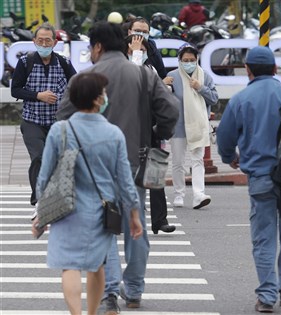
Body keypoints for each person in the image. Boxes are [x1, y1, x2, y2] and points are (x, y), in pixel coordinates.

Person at [56, 21, 179, 315]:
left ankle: (110, 293)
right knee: (136, 225)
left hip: (94, 166)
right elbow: (171, 111)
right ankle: (134, 290)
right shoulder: (144, 75)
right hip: (136, 160)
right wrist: (155, 131)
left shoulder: (85, 78)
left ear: (97, 46)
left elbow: (62, 120)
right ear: (124, 46)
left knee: (104, 229)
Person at [32, 72, 143, 315]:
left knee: (69, 266)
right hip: (100, 212)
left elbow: (45, 176)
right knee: (97, 265)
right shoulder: (113, 134)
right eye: (103, 94)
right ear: (95, 100)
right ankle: (92, 312)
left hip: (65, 210)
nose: (105, 98)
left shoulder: (60, 130)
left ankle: (76, 313)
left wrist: (42, 212)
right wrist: (134, 214)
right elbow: (125, 180)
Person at [217, 46, 281, 312]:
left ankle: (267, 296)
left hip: (260, 176)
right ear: (275, 69)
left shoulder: (241, 98)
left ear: (247, 70)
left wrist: (229, 157)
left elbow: (224, 137)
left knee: (264, 236)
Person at [11, 22, 76, 207]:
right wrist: (38, 96)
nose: (44, 44)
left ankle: (56, 196)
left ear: (55, 43)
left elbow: (76, 85)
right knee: (38, 157)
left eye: (48, 41)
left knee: (57, 160)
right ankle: (38, 197)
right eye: (41, 40)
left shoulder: (63, 62)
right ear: (34, 41)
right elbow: (15, 90)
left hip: (57, 122)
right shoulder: (25, 62)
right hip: (32, 120)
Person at [126, 34, 176, 234]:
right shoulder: (122, 67)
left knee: (155, 174)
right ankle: (124, 217)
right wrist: (135, 54)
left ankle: (160, 220)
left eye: (143, 49)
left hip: (150, 125)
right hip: (128, 128)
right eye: (135, 48)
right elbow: (135, 84)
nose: (140, 51)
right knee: (129, 176)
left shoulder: (151, 68)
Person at [166, 43, 218, 209]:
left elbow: (214, 99)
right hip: (178, 126)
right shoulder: (172, 76)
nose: (189, 63)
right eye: (185, 60)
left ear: (197, 60)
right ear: (179, 60)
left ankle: (198, 195)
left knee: (197, 161)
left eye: (192, 60)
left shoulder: (205, 77)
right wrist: (162, 84)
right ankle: (179, 194)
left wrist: (200, 88)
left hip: (198, 125)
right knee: (178, 162)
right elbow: (162, 98)